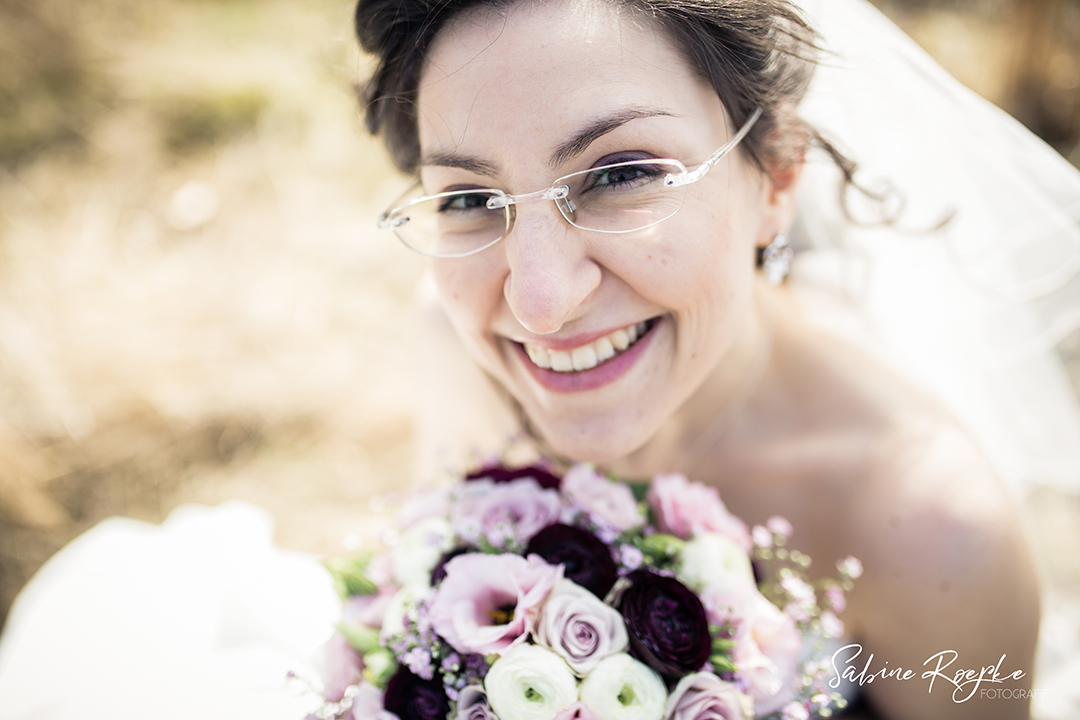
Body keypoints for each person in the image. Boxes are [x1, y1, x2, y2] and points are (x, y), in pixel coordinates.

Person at [355, 0, 1080, 717]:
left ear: (778, 175)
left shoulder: (936, 537)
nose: (540, 304)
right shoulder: (457, 343)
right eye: (472, 197)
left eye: (620, 173)